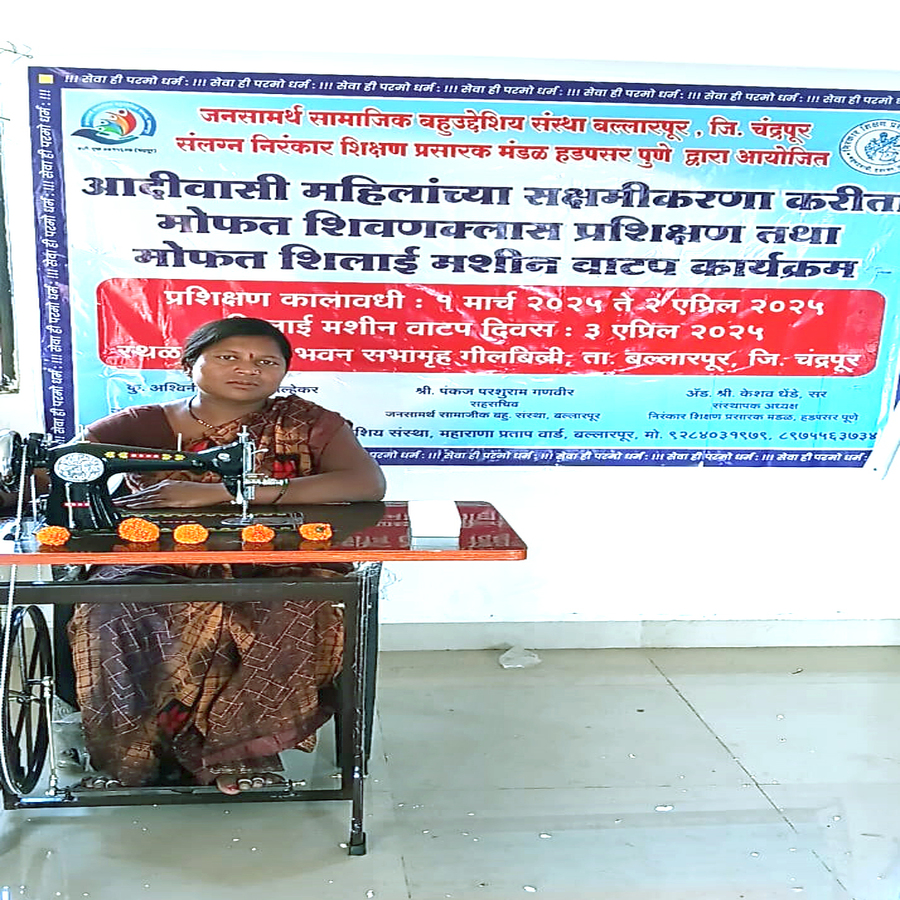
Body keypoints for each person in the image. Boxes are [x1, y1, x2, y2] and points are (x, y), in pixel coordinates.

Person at [64, 317, 385, 794]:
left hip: (281, 555)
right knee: (112, 609)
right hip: (155, 558)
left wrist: (233, 493)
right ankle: (140, 751)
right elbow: (61, 468)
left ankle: (243, 751)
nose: (248, 369)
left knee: (299, 606)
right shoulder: (139, 424)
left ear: (284, 372)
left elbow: (366, 483)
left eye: (266, 362)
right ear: (189, 364)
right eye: (228, 357)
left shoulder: (310, 423)